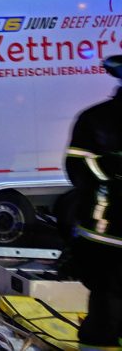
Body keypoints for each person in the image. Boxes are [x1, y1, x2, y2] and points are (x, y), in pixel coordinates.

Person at [64, 54, 121, 349]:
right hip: (107, 235)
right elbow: (78, 166)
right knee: (106, 312)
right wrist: (109, 170)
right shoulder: (97, 119)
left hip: (104, 237)